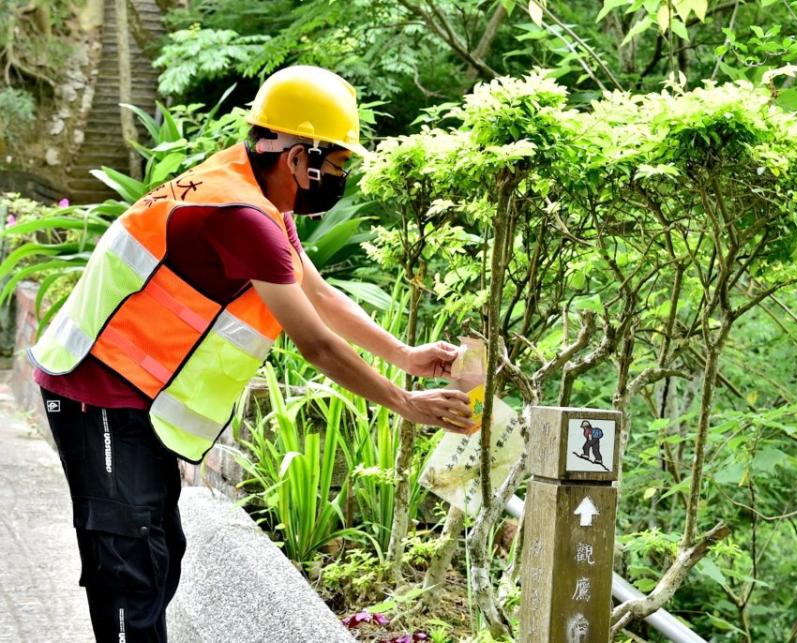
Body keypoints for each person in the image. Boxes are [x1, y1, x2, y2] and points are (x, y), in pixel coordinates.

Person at [29, 65, 472, 642]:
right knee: (128, 566)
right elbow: (315, 344)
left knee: (160, 553)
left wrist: (404, 355)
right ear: (298, 157)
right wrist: (404, 402)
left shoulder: (254, 193)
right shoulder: (242, 217)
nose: (338, 177)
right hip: (95, 386)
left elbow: (316, 292)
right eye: (336, 163)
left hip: (134, 391)